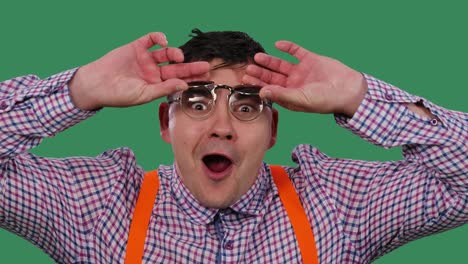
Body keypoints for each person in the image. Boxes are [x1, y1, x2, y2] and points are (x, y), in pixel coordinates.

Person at [0, 28, 466, 263]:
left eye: (246, 108)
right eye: (198, 105)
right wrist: (77, 90)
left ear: (273, 132)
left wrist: (359, 98)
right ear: (167, 120)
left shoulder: (338, 203)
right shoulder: (94, 208)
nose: (221, 127)